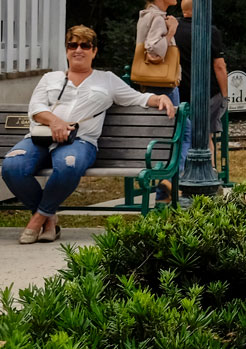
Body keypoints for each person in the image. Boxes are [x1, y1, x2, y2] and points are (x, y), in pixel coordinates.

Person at [4, 26, 175, 243]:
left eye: (85, 46)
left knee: (68, 166)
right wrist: (55, 122)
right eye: (72, 45)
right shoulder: (50, 78)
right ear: (66, 50)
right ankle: (50, 219)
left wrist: (160, 98)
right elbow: (36, 108)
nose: (78, 50)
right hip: (40, 138)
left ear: (94, 51)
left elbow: (138, 98)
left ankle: (37, 219)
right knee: (12, 167)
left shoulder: (107, 80)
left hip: (80, 142)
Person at [172, 0, 228, 177]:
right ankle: (208, 171)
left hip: (179, 91)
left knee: (182, 134)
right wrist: (225, 95)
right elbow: (219, 65)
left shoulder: (173, 29)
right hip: (207, 92)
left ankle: (181, 171)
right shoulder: (209, 31)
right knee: (206, 134)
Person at [134, 0, 180, 96]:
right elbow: (153, 49)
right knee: (178, 115)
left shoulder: (146, 15)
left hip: (150, 81)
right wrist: (171, 31)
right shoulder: (158, 18)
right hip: (163, 84)